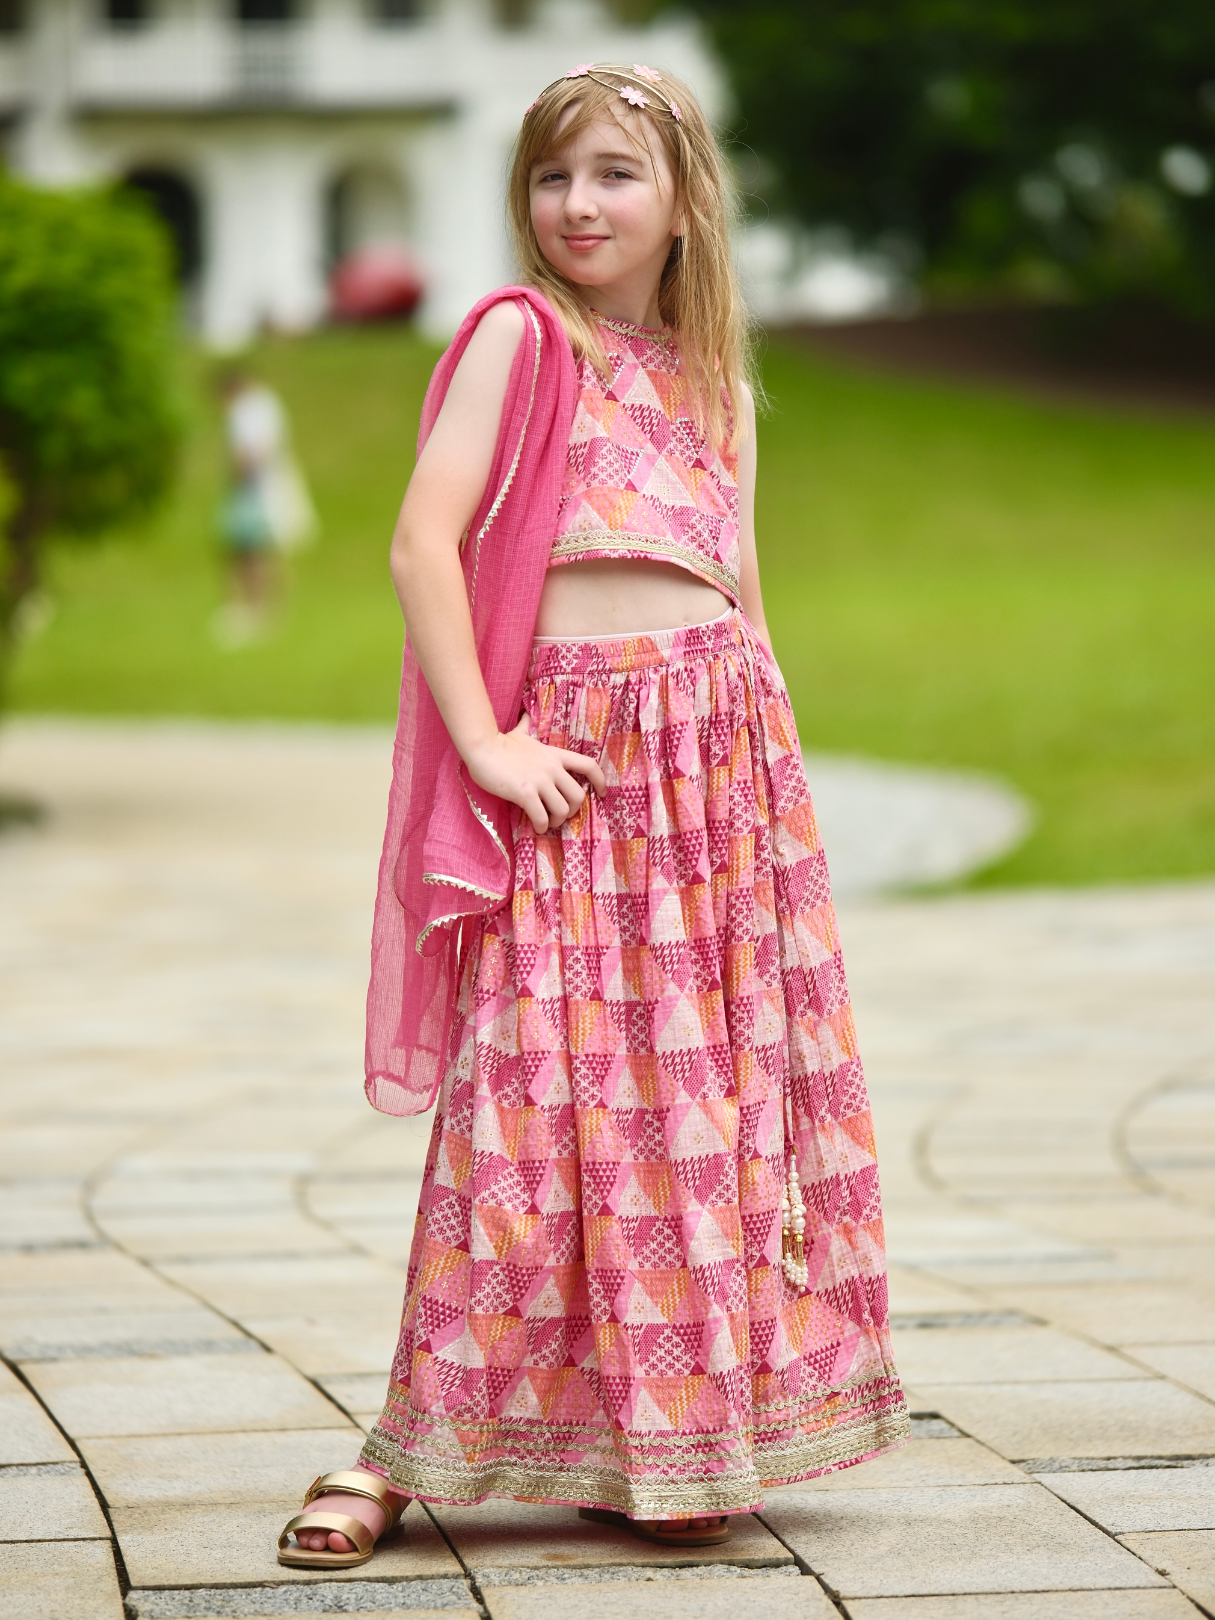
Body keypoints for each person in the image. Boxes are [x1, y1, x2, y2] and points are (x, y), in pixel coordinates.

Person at [277, 61, 909, 1570]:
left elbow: (743, 592)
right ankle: (404, 1447)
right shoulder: (521, 336)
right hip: (574, 766)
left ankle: (670, 1437)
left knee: (691, 1107)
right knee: (524, 1108)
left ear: (684, 202)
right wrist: (488, 745)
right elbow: (423, 543)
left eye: (616, 174)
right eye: (554, 176)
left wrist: (775, 800)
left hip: (714, 769)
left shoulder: (714, 382)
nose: (579, 204)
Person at [214, 368, 316, 645]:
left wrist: (237, 475)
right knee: (262, 550)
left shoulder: (248, 409)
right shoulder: (267, 404)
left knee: (250, 551)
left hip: (254, 491)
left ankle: (254, 609)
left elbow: (251, 451)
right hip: (264, 488)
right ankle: (266, 610)